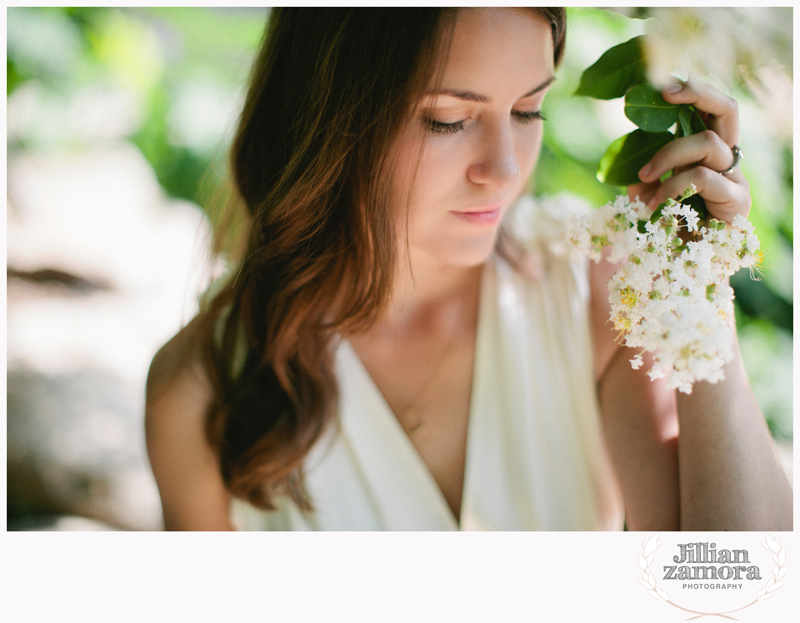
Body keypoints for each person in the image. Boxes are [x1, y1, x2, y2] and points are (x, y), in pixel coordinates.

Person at [145, 7, 792, 531]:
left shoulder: (597, 289)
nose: (506, 172)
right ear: (329, 116)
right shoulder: (199, 394)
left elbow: (730, 588)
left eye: (527, 111)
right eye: (448, 120)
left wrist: (698, 277)